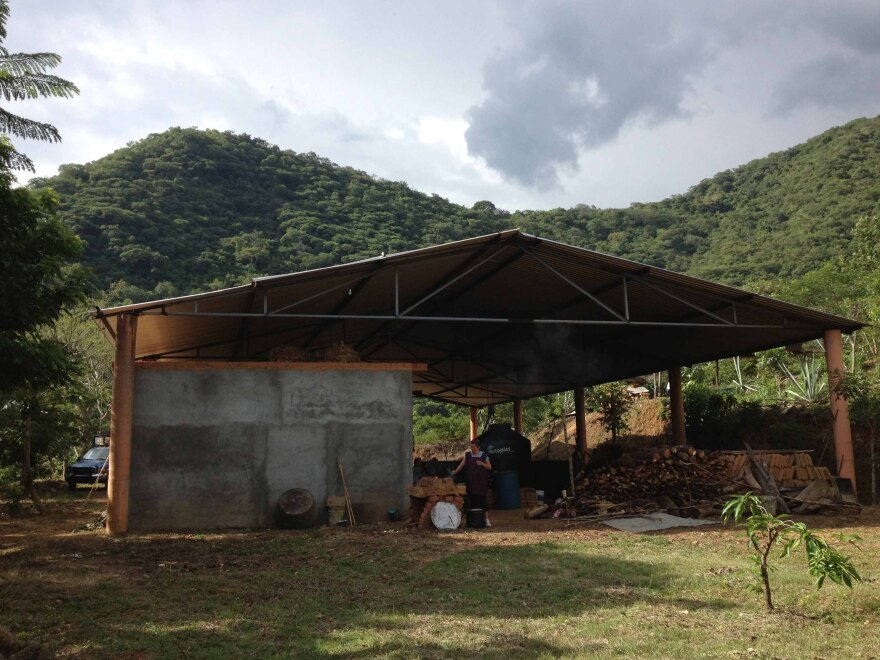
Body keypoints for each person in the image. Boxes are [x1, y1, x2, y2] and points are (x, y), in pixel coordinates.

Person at [452, 440, 492, 527]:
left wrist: (482, 464)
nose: (472, 448)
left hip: (481, 482)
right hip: (471, 481)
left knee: (482, 501)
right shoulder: (468, 455)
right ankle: (473, 520)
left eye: (473, 447)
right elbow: (461, 465)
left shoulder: (484, 455)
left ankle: (486, 520)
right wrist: (454, 472)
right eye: (471, 447)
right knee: (472, 501)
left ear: (478, 447)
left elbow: (489, 467)